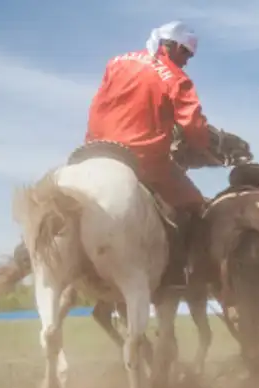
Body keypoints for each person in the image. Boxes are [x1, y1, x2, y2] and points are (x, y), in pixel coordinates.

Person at [85, 20, 220, 287]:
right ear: (174, 47)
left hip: (94, 150)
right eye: (187, 54)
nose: (187, 62)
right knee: (193, 203)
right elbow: (193, 125)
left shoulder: (117, 62)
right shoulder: (176, 78)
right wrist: (204, 145)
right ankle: (177, 272)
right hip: (142, 157)